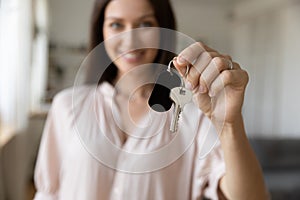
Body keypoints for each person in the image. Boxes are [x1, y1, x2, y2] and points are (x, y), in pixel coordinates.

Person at [33, 0, 269, 199]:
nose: (131, 39)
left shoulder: (193, 114)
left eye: (145, 24)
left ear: (162, 30)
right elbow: (47, 193)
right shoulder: (66, 105)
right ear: (101, 31)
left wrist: (229, 124)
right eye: (116, 24)